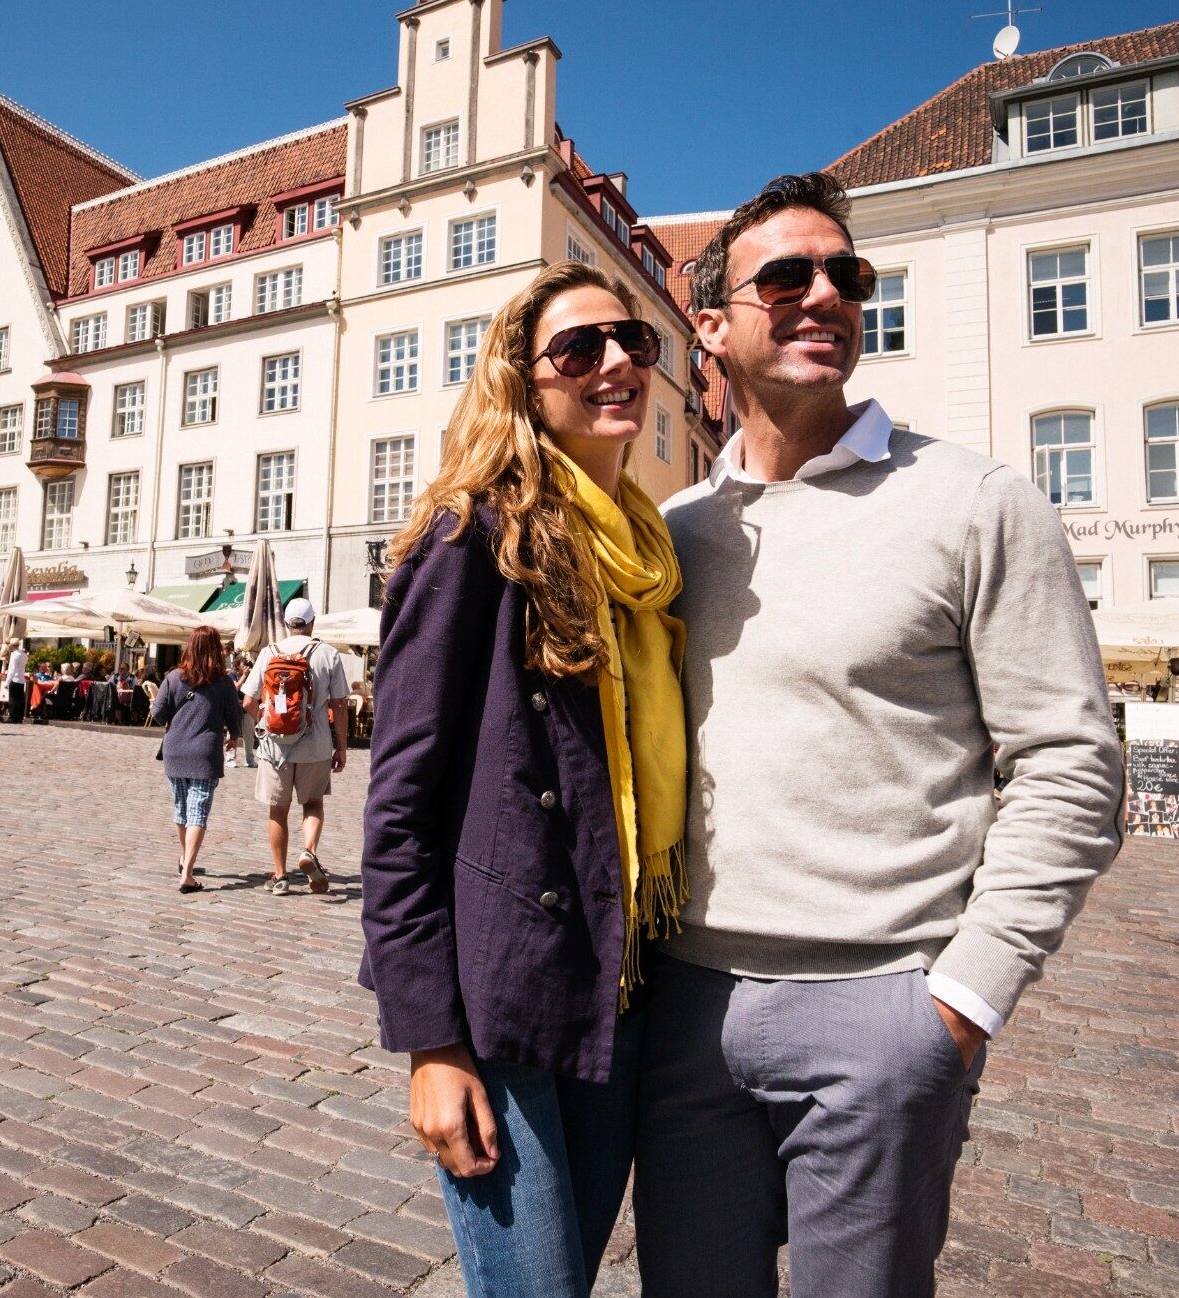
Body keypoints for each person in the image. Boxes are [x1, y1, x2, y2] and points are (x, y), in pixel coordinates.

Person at [639, 173, 1124, 1298]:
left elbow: (1069, 760)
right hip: (684, 1010)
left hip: (885, 1005)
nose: (825, 294)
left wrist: (961, 1002)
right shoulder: (675, 532)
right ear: (710, 325)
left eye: (847, 274)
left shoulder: (975, 500)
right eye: (787, 275)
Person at [361, 261, 687, 1296]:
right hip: (499, 998)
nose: (615, 364)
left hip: (617, 982)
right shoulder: (472, 536)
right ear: (522, 377)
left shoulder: (649, 551)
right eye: (578, 349)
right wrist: (430, 1043)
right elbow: (399, 805)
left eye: (632, 342)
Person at [245, 597, 349, 895]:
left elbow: (249, 701)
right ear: (313, 622)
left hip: (274, 747)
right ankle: (308, 852)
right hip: (315, 743)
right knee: (313, 802)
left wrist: (264, 727)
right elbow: (339, 705)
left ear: (287, 625)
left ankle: (279, 877)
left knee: (278, 811)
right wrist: (340, 746)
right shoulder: (327, 654)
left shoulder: (269, 653)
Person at [151, 626, 244, 893]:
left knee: (182, 810)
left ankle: (185, 859)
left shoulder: (173, 677)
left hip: (175, 751)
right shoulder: (224, 682)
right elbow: (234, 718)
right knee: (197, 813)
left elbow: (158, 715)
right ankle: (188, 873)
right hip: (205, 753)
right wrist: (234, 737)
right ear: (217, 650)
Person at [226, 654, 259, 770]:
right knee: (232, 734)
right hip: (235, 708)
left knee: (249, 735)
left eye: (247, 663)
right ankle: (230, 759)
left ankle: (249, 760)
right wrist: (244, 676)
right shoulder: (232, 675)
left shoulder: (251, 676)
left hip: (247, 709)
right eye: (243, 663)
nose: (245, 666)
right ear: (237, 665)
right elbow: (235, 688)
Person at [5, 638, 30, 724]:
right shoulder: (23, 654)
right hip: (21, 679)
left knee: (13, 700)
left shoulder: (14, 655)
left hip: (14, 679)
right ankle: (19, 717)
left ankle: (12, 717)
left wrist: (7, 681)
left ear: (11, 646)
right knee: (20, 699)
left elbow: (12, 669)